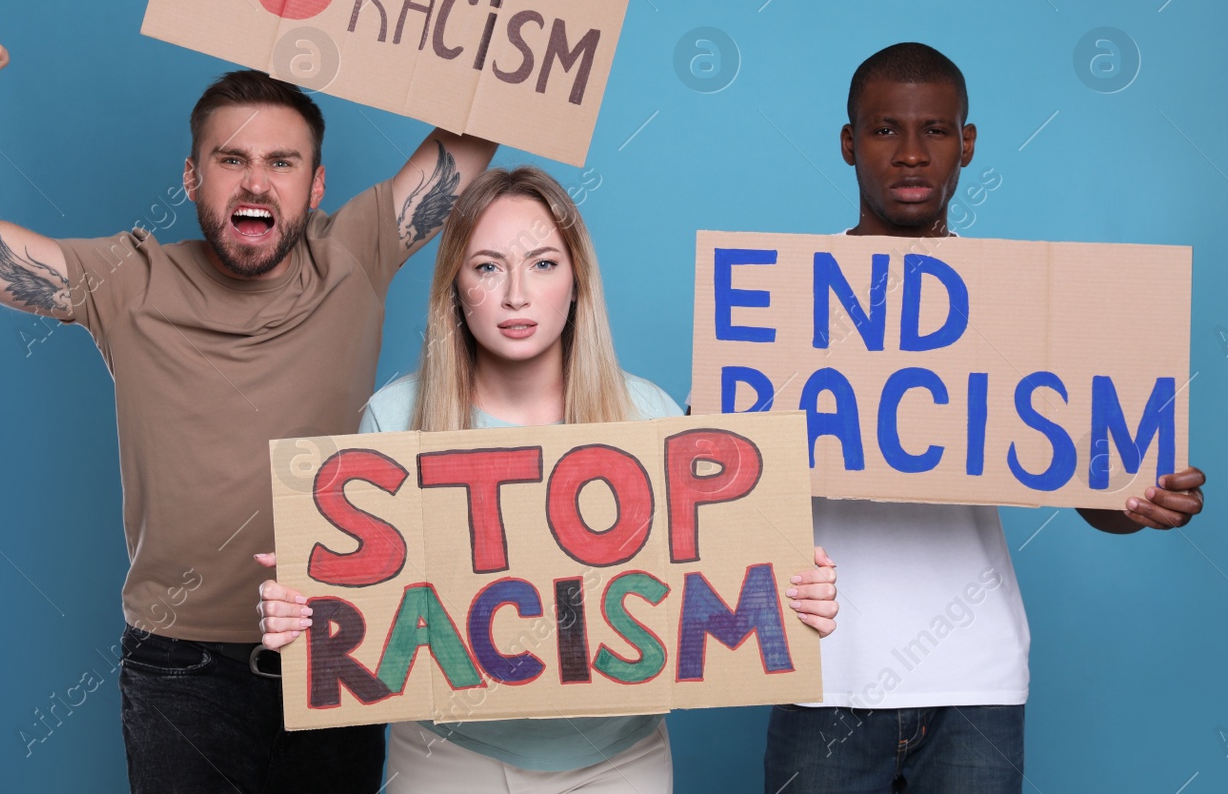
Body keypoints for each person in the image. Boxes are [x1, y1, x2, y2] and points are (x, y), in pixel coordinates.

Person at [0, 0, 511, 794]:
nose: (255, 180)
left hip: (338, 639)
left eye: (280, 161)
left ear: (316, 185)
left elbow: (475, 130)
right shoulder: (125, 278)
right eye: (230, 160)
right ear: (194, 179)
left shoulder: (356, 250)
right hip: (181, 665)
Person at [257, 166, 841, 793]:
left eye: (541, 264)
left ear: (576, 280)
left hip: (622, 760)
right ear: (454, 283)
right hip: (445, 757)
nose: (515, 294)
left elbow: (720, 584)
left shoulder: (652, 418)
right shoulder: (394, 419)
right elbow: (363, 614)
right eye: (486, 266)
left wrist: (792, 594)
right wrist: (300, 618)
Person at [761, 42, 1208, 793]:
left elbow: (1087, 486)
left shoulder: (1020, 304)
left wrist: (1142, 497)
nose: (910, 154)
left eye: (935, 131)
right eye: (883, 130)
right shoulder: (779, 300)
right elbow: (719, 478)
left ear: (967, 145)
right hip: (822, 671)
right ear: (848, 143)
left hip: (976, 678)